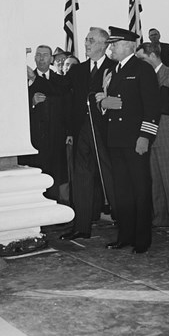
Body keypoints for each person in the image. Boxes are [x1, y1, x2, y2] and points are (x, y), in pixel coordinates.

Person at [98, 26, 160, 254]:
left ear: (129, 46)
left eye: (114, 44)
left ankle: (142, 239)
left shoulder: (142, 69)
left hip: (135, 140)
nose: (111, 48)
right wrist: (103, 105)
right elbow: (107, 101)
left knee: (140, 190)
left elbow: (152, 108)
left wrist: (145, 136)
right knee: (122, 192)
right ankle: (125, 235)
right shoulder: (114, 70)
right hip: (116, 139)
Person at [59, 28, 117, 241]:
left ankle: (125, 223)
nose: (86, 43)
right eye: (86, 39)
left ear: (103, 44)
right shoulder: (78, 70)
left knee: (111, 178)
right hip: (81, 132)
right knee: (81, 178)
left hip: (106, 133)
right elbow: (59, 90)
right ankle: (82, 226)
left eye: (91, 40)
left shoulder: (114, 68)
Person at [136, 42, 169, 238]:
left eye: (141, 58)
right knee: (155, 180)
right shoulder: (143, 77)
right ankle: (160, 219)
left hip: (168, 130)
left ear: (152, 56)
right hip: (148, 132)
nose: (138, 63)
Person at [20, 45, 69, 202]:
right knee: (39, 173)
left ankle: (59, 209)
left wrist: (36, 80)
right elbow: (17, 106)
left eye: (45, 55)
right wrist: (31, 103)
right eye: (38, 55)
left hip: (56, 136)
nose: (41, 58)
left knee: (58, 173)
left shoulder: (60, 79)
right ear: (34, 58)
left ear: (51, 59)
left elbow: (61, 97)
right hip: (36, 138)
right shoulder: (23, 80)